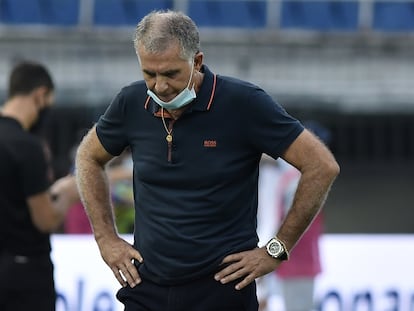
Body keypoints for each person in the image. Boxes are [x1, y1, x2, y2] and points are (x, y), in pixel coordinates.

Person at [75, 10, 340, 311]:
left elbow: (321, 165)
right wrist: (105, 238)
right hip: (145, 287)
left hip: (223, 291)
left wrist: (276, 250)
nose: (160, 86)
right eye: (149, 74)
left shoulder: (244, 103)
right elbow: (88, 157)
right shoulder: (131, 102)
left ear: (196, 62)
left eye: (171, 73)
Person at [0, 61, 76, 311]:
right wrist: (67, 193)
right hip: (23, 275)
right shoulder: (27, 146)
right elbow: (45, 220)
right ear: (40, 95)